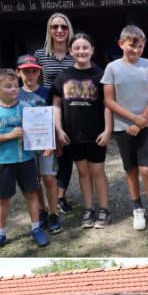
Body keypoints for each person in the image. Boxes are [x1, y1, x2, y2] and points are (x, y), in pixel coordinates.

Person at [102, 26, 148, 236]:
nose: (136, 50)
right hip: (123, 127)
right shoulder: (112, 68)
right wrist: (133, 119)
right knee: (130, 169)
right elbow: (108, 100)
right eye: (132, 45)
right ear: (121, 44)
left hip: (147, 126)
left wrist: (142, 120)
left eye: (140, 46)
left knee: (147, 169)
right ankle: (137, 208)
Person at [0, 69, 51, 253]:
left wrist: (43, 143)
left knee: (31, 194)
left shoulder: (26, 108)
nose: (14, 89)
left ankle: (36, 228)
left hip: (27, 160)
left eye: (16, 85)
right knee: (3, 198)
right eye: (8, 86)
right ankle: (0, 234)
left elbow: (38, 130)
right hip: (4, 163)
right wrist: (8, 135)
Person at [51, 33, 112, 230]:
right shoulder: (63, 76)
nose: (81, 51)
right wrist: (59, 130)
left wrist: (108, 130)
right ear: (70, 51)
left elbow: (108, 105)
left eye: (85, 47)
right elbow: (57, 105)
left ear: (92, 49)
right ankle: (89, 209)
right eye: (76, 48)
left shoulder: (101, 75)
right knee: (83, 172)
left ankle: (104, 209)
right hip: (72, 135)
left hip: (96, 133)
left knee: (97, 171)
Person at [34, 13, 77, 214]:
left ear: (69, 30)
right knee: (47, 154)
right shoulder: (40, 55)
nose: (59, 31)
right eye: (55, 27)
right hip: (45, 110)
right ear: (49, 31)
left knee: (66, 155)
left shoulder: (75, 53)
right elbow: (33, 82)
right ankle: (43, 202)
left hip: (71, 110)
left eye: (63, 27)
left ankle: (61, 196)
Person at [17, 55, 61, 234]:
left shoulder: (47, 92)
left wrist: (55, 141)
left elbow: (55, 117)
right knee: (33, 181)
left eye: (34, 70)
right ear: (18, 72)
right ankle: (41, 210)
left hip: (46, 143)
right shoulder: (15, 93)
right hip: (24, 145)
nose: (30, 74)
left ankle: (53, 213)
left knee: (49, 178)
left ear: (39, 71)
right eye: (26, 71)